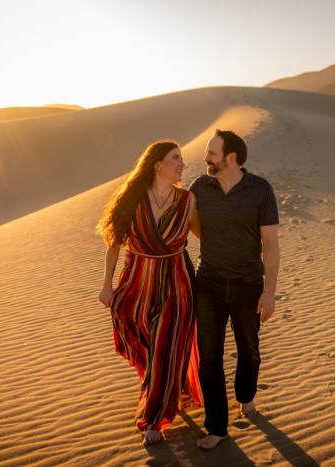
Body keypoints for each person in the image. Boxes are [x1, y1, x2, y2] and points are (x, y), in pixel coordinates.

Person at [97, 140, 203, 445]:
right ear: (157, 164)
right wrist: (107, 284)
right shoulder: (131, 198)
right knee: (145, 342)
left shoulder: (187, 200)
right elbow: (114, 244)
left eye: (182, 159)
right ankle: (164, 385)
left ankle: (155, 418)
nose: (182, 164)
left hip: (177, 281)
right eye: (175, 158)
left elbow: (202, 235)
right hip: (137, 280)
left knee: (167, 346)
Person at [188, 129, 280, 450]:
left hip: (248, 284)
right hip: (209, 282)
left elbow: (270, 243)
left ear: (231, 157)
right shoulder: (200, 186)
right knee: (209, 359)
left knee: (249, 351)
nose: (206, 158)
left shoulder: (260, 190)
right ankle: (217, 427)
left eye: (211, 153)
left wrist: (269, 292)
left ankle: (246, 396)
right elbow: (199, 230)